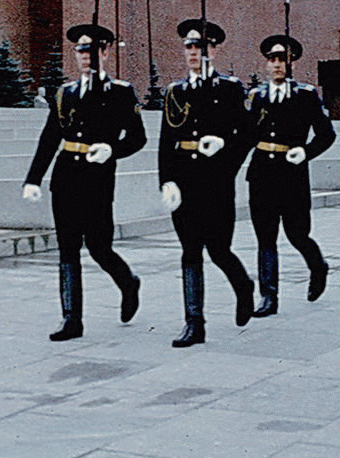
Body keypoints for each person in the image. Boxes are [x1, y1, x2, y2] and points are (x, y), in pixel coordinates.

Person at [22, 24, 147, 341]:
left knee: (99, 247)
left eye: (91, 49)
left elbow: (138, 137)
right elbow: (50, 138)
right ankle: (71, 320)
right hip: (66, 177)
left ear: (105, 52)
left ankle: (128, 282)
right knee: (67, 249)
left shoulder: (120, 92)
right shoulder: (66, 93)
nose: (85, 55)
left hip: (98, 178)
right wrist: (33, 179)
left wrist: (112, 150)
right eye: (80, 49)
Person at [158, 19, 254, 348]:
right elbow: (165, 142)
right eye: (188, 46)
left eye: (199, 46)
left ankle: (243, 286)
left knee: (218, 249)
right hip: (184, 179)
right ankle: (194, 322)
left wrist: (225, 150)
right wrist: (166, 182)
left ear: (213, 50)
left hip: (216, 179)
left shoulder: (230, 88)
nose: (193, 52)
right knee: (189, 251)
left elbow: (248, 134)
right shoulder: (176, 91)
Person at [246, 35, 336, 316]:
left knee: (297, 234)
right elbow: (246, 135)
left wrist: (306, 152)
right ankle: (269, 297)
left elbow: (327, 134)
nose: (275, 65)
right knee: (265, 237)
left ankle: (317, 266)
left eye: (281, 59)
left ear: (291, 62)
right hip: (261, 172)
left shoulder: (306, 95)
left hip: (292, 174)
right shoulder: (256, 96)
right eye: (271, 59)